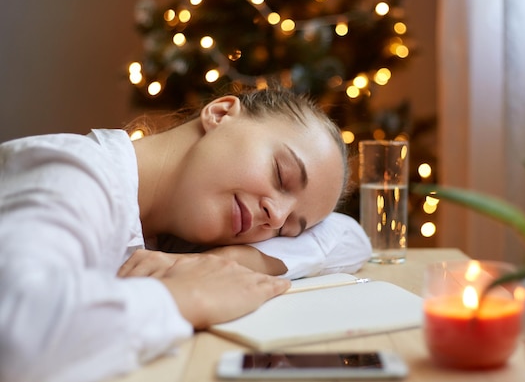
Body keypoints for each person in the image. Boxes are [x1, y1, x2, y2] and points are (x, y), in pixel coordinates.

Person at [0, 86, 371, 382]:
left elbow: (350, 238)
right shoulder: (77, 175)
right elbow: (16, 331)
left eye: (290, 229)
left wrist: (239, 260)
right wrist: (186, 295)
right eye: (281, 174)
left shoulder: (169, 237)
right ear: (221, 113)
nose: (275, 219)